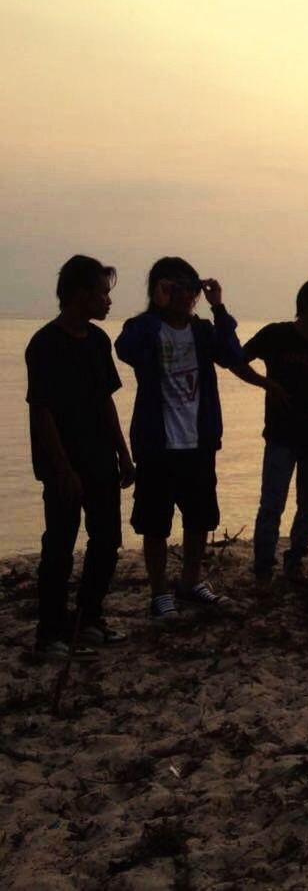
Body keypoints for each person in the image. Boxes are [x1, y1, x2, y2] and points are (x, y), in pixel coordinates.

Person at [115, 257, 243, 619]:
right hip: (158, 444)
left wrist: (219, 307)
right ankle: (160, 593)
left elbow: (233, 354)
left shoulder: (203, 331)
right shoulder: (143, 328)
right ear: (159, 290)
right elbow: (127, 351)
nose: (185, 295)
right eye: (174, 288)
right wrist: (156, 309)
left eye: (190, 287)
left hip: (199, 442)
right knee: (155, 522)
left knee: (199, 517)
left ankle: (190, 582)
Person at [25, 256, 135, 659]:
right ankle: (49, 632)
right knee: (59, 546)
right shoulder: (45, 344)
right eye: (102, 293)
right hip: (62, 465)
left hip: (100, 458)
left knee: (106, 541)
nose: (107, 301)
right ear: (78, 294)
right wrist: (63, 468)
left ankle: (88, 619)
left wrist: (124, 454)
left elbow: (105, 400)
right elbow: (42, 410)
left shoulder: (97, 341)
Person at [232, 280, 308, 591]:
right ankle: (263, 569)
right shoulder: (276, 334)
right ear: (306, 306)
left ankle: (294, 562)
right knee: (272, 504)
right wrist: (266, 384)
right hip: (281, 435)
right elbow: (237, 361)